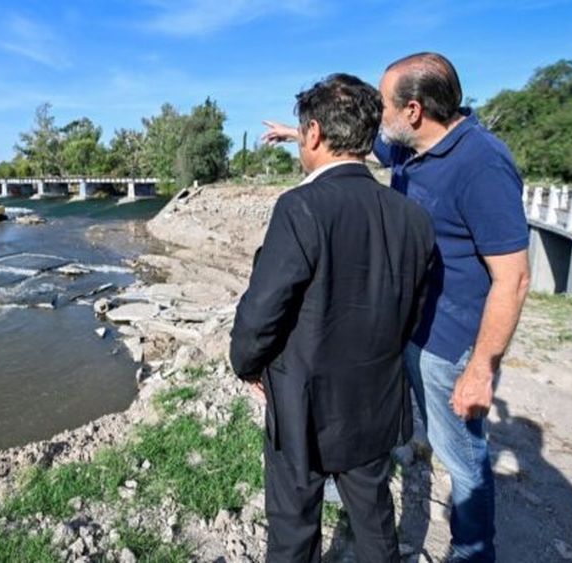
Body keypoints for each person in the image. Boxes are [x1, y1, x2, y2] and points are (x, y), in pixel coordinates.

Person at [262, 53, 531, 562]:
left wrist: (481, 368)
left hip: (446, 344)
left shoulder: (482, 163)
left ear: (412, 109)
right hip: (402, 329)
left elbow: (513, 279)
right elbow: (351, 147)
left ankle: (473, 553)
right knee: (376, 432)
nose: (376, 115)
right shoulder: (413, 148)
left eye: (383, 104)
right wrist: (300, 137)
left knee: (462, 458)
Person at [230, 73, 437, 563]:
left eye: (302, 135)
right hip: (375, 398)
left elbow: (262, 311)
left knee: (295, 524)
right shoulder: (411, 216)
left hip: (303, 401)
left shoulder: (300, 207)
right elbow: (414, 309)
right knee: (373, 517)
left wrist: (247, 365)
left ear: (314, 134)